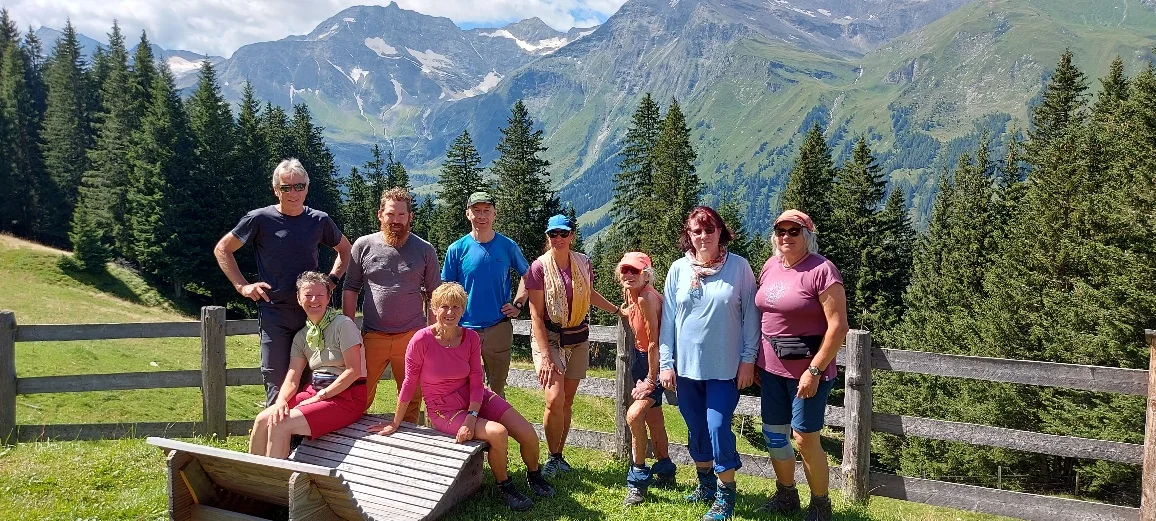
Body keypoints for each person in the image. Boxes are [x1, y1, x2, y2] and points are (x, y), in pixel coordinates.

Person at [370, 282, 554, 511]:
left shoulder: (470, 337)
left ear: (463, 309)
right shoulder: (421, 340)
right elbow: (408, 383)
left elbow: (477, 380)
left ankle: (534, 476)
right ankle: (505, 486)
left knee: (528, 433)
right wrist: (395, 422)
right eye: (444, 306)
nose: (450, 312)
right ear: (434, 308)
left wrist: (471, 417)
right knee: (498, 433)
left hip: (476, 397)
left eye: (456, 306)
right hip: (443, 409)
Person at [214, 158, 352, 406]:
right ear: (276, 189)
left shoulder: (319, 220)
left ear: (307, 187)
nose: (293, 193)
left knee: (312, 384)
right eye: (286, 187)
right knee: (277, 385)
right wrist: (242, 286)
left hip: (311, 314)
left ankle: (302, 432)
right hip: (274, 313)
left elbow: (345, 250)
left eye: (299, 186)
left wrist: (330, 281)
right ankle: (276, 432)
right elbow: (223, 249)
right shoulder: (259, 219)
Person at [659, 206, 760, 521]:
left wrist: (748, 360)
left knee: (717, 426)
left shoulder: (739, 267)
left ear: (720, 232)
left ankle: (725, 495)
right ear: (688, 235)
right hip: (686, 369)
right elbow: (668, 320)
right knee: (696, 427)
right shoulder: (678, 269)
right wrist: (666, 363)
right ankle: (705, 486)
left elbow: (751, 317)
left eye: (709, 229)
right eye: (696, 231)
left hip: (725, 369)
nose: (703, 236)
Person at [756, 210, 848, 521]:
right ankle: (786, 495)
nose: (786, 236)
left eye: (794, 231)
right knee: (774, 434)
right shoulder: (770, 266)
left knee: (805, 438)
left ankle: (820, 506)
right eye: (780, 231)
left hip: (809, 373)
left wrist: (815, 370)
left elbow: (838, 327)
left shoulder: (822, 270)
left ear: (807, 235)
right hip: (771, 369)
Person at [525, 214, 620, 476]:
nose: (558, 238)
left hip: (577, 337)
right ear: (548, 237)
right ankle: (551, 456)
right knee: (554, 399)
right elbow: (535, 315)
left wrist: (616, 310)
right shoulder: (539, 268)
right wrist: (546, 356)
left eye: (563, 233)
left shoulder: (583, 263)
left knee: (567, 401)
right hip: (550, 338)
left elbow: (588, 294)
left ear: (572, 236)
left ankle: (558, 456)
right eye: (553, 234)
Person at [342, 187, 440, 418]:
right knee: (359, 393)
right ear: (380, 215)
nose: (396, 220)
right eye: (390, 214)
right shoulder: (363, 246)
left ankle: (408, 438)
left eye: (401, 215)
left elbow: (435, 294)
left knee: (411, 399)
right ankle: (355, 437)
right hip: (372, 336)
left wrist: (433, 334)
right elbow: (350, 288)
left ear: (410, 217)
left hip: (412, 336)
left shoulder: (425, 250)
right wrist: (348, 329)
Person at [249, 271, 366, 459]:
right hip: (314, 392)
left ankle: (276, 476)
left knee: (280, 424)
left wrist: (321, 396)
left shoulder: (343, 325)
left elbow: (353, 371)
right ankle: (250, 473)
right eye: (308, 295)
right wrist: (281, 401)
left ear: (328, 298)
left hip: (346, 397)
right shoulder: (302, 336)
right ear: (298, 298)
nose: (314, 300)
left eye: (320, 295)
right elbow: (292, 378)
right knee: (263, 419)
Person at [441, 191, 529, 398]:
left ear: (494, 214)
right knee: (460, 387)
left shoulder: (507, 246)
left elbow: (528, 276)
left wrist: (518, 304)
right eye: (476, 211)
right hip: (463, 329)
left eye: (486, 211)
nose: (481, 216)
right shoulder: (456, 249)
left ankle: (495, 421)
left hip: (498, 327)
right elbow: (447, 289)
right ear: (468, 214)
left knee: (497, 390)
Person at [617, 251, 677, 506]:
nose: (629, 275)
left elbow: (654, 342)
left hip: (655, 361)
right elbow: (630, 313)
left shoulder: (646, 298)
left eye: (635, 271)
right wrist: (624, 310)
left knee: (634, 416)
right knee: (654, 419)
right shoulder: (632, 294)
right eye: (625, 270)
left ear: (647, 275)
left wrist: (651, 379)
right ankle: (665, 470)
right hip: (642, 360)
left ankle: (637, 481)